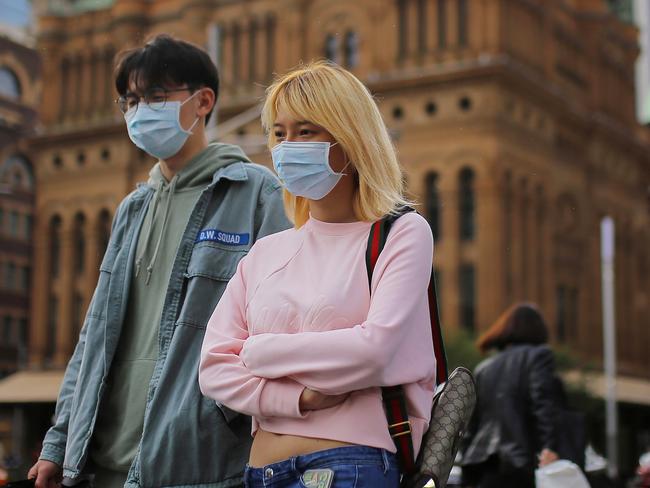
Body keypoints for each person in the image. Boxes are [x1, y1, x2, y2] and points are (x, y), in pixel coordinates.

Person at [28, 34, 290, 488]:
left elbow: (283, 323)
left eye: (155, 97)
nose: (139, 111)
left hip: (196, 463)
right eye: (129, 100)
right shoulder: (133, 208)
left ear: (203, 101)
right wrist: (59, 442)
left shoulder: (256, 193)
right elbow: (94, 335)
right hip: (106, 461)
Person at [198, 61, 437, 488]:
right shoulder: (266, 252)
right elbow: (214, 368)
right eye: (279, 133)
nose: (288, 146)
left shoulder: (400, 233)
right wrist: (300, 397)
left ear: (350, 138)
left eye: (306, 132)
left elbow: (374, 351)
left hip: (351, 467)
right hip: (259, 473)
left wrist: (258, 352)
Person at [460, 303, 560, 488]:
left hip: (483, 463)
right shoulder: (539, 356)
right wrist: (550, 447)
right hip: (521, 462)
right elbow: (543, 404)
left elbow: (472, 423)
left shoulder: (484, 369)